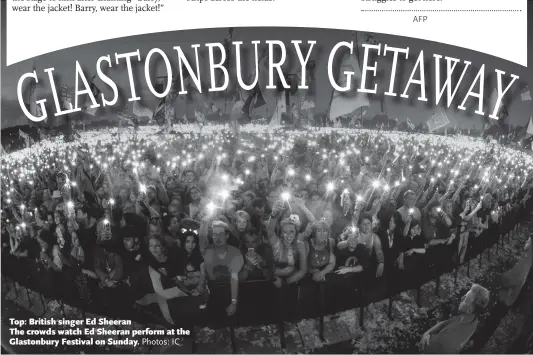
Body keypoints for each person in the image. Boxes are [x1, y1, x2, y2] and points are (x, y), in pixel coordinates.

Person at [420, 284, 490, 353]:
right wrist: (427, 333)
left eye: (465, 298)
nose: (461, 298)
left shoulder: (442, 342)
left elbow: (425, 347)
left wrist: (425, 337)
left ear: (469, 310)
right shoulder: (472, 319)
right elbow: (445, 322)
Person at [199, 220, 243, 317]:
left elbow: (234, 279)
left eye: (221, 234)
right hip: (212, 296)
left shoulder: (235, 253)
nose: (217, 237)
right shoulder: (208, 251)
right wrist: (204, 222)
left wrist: (233, 303)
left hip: (229, 295)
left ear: (227, 236)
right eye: (215, 234)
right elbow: (202, 241)